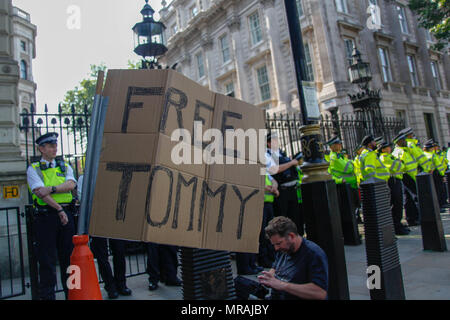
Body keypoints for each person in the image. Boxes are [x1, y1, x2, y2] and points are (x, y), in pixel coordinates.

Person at [26, 132, 77, 300]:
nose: (55, 148)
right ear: (41, 149)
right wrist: (59, 209)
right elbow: (40, 193)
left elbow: (71, 184)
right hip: (46, 217)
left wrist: (52, 189)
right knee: (47, 262)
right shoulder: (33, 169)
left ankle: (73, 295)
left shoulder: (65, 165)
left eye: (55, 145)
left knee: (70, 260)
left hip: (67, 216)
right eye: (50, 146)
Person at [234, 216, 328, 300]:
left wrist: (282, 285)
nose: (276, 248)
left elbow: (320, 293)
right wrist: (269, 277)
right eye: (274, 245)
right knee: (237, 286)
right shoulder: (284, 249)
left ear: (291, 236)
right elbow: (275, 268)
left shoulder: (313, 254)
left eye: (278, 243)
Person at [77, 175, 132, 299]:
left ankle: (121, 284)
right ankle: (110, 286)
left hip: (113, 218)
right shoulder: (84, 178)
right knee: (102, 255)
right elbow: (82, 197)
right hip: (96, 219)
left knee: (119, 251)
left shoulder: (111, 174)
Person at [265, 132, 304, 235]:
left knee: (295, 217)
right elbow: (274, 170)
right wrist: (291, 163)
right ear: (268, 143)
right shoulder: (267, 155)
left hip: (293, 189)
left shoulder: (281, 153)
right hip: (282, 191)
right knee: (283, 220)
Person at [377, 140, 410, 235]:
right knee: (395, 203)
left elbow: (402, 166)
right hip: (392, 181)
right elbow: (398, 166)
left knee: (399, 204)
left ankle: (398, 224)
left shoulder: (390, 157)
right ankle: (395, 226)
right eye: (387, 147)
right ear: (383, 149)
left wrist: (400, 164)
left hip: (397, 180)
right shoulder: (384, 158)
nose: (389, 148)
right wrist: (400, 163)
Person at [392, 132, 420, 226]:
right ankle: (414, 218)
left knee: (409, 198)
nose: (405, 141)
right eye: (403, 140)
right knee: (413, 197)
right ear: (399, 142)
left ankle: (413, 218)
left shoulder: (405, 150)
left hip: (411, 175)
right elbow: (399, 165)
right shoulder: (398, 152)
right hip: (406, 176)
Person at [258, 174, 279, 268]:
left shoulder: (264, 171)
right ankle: (264, 260)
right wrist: (267, 188)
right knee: (263, 234)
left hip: (269, 204)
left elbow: (274, 180)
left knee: (271, 232)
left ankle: (272, 257)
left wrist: (274, 187)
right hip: (259, 204)